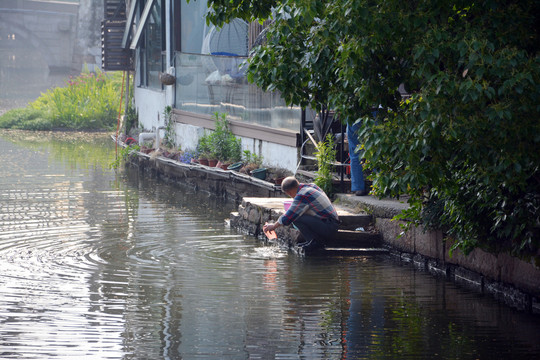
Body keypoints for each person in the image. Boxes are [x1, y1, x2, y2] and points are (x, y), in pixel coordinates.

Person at [263, 176, 339, 252]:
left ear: (288, 192)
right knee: (299, 215)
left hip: (329, 227)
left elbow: (288, 217)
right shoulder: (310, 186)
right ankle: (311, 241)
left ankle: (315, 242)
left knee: (296, 218)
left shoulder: (302, 195)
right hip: (332, 223)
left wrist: (273, 226)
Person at [347, 121, 367, 196]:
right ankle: (380, 185)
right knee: (376, 151)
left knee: (355, 152)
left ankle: (358, 188)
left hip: (353, 115)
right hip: (373, 113)